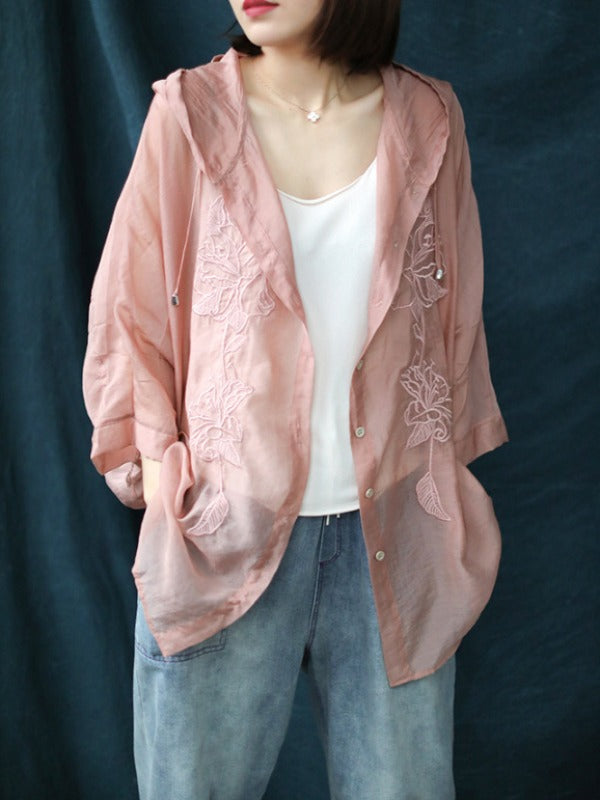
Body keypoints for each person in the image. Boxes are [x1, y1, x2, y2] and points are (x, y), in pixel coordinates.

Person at [82, 1, 508, 797]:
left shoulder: (428, 117)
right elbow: (128, 316)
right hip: (224, 533)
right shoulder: (189, 116)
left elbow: (455, 313)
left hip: (395, 536)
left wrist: (444, 467)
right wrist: (165, 479)